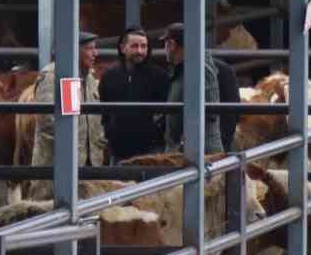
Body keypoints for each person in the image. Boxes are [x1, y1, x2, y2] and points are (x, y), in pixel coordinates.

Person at [29, 30, 108, 190]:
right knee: (50, 207)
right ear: (74, 50)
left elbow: (95, 117)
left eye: (95, 48)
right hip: (58, 166)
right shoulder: (53, 75)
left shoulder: (90, 78)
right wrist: (73, 147)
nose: (95, 53)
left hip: (89, 164)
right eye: (89, 49)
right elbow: (47, 121)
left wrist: (99, 142)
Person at [98, 28, 169, 162]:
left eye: (144, 46)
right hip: (118, 151)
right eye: (135, 46)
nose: (140, 51)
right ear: (122, 48)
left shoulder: (159, 76)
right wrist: (110, 133)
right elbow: (104, 113)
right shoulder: (109, 77)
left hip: (151, 151)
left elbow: (166, 114)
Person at [160, 24, 230, 155]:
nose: (165, 49)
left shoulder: (198, 67)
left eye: (165, 44)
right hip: (190, 148)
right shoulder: (185, 69)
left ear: (171, 44)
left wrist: (183, 137)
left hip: (198, 150)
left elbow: (210, 109)